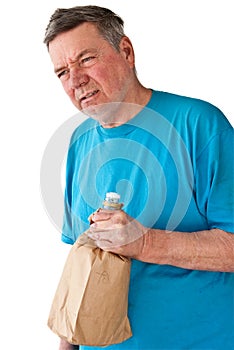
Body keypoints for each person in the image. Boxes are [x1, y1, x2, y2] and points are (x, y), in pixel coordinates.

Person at [44, 5, 234, 350]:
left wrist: (145, 243)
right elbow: (80, 260)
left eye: (86, 59)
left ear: (126, 51)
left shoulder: (199, 124)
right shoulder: (78, 143)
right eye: (62, 72)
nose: (75, 80)